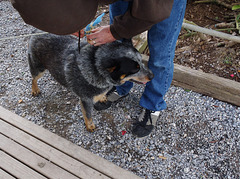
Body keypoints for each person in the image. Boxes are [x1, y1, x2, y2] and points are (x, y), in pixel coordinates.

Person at [11, 0, 187, 137]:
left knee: (161, 57)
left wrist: (114, 30)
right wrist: (72, 25)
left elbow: (153, 10)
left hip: (164, 3)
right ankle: (122, 86)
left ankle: (153, 104)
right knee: (118, 46)